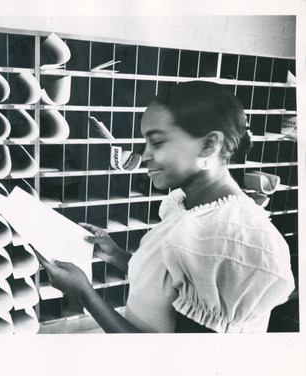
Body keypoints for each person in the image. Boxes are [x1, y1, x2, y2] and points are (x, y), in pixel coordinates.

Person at [36, 81, 295, 333]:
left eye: (158, 142)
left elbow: (171, 363)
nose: (145, 155)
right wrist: (116, 255)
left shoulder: (232, 239)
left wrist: (85, 295)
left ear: (209, 145)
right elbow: (170, 286)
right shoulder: (191, 207)